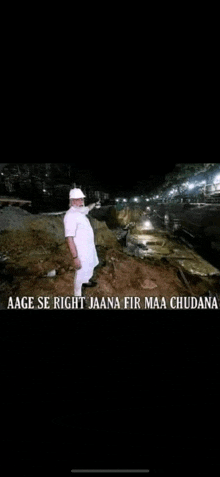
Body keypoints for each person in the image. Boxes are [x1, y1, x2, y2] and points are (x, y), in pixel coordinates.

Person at [64, 188, 99, 296]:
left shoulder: (80, 210)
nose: (81, 202)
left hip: (89, 248)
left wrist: (95, 203)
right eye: (78, 200)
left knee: (90, 265)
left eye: (82, 200)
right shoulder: (70, 216)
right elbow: (69, 238)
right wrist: (75, 257)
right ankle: (77, 297)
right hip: (81, 251)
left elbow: (88, 208)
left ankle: (86, 281)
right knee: (80, 273)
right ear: (72, 201)